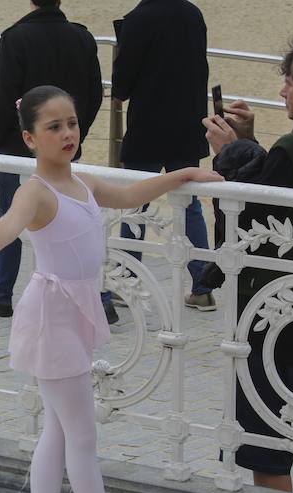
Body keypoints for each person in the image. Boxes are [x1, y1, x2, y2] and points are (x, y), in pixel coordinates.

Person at [0, 86, 221, 493]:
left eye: (72, 124)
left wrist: (181, 175)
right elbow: (8, 223)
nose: (66, 134)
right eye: (53, 127)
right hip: (52, 317)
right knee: (80, 434)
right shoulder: (36, 191)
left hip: (73, 313)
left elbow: (127, 195)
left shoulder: (82, 183)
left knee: (58, 431)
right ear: (29, 138)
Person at [203, 33, 293, 493]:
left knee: (265, 445)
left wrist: (231, 156)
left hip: (276, 318)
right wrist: (255, 146)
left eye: (289, 82)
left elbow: (246, 230)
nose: (282, 92)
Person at [0, 0, 103, 318]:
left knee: (11, 215)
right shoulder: (82, 37)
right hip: (63, 148)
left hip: (17, 145)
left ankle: (3, 294)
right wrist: (76, 135)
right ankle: (73, 290)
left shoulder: (16, 37)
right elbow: (94, 93)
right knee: (67, 218)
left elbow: (3, 94)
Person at [105, 0, 215, 322]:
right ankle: (202, 284)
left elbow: (122, 85)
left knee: (136, 203)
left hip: (149, 126)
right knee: (190, 205)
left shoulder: (139, 18)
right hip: (186, 124)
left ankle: (126, 282)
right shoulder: (193, 13)